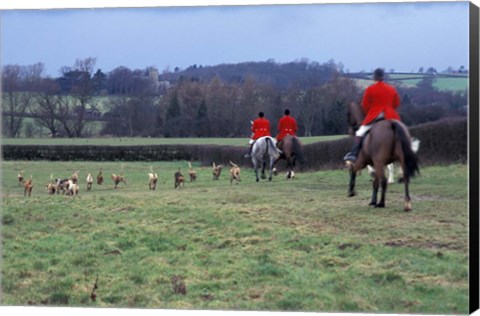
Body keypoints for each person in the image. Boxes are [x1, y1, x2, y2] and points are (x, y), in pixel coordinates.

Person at [344, 68, 401, 162]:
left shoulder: (370, 89)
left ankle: (353, 155)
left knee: (359, 132)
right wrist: (390, 109)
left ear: (374, 77)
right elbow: (397, 103)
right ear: (383, 77)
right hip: (391, 115)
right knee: (401, 130)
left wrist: (369, 113)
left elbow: (364, 105)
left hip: (376, 115)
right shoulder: (391, 89)